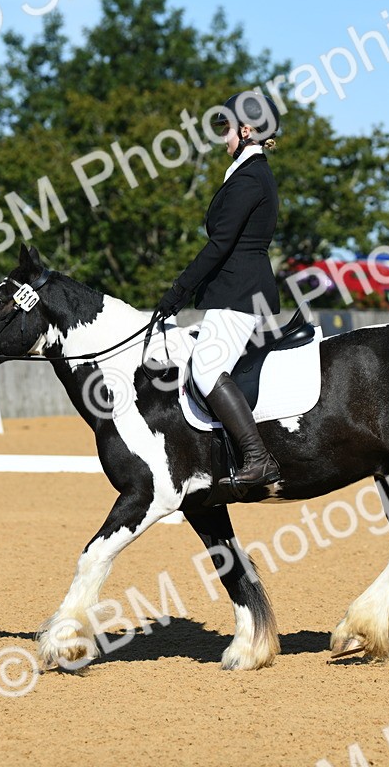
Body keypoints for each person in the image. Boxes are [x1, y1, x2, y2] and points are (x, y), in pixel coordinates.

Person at [155, 91, 282, 489]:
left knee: (207, 369)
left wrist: (177, 292)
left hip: (242, 291)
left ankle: (258, 458)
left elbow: (220, 244)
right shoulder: (246, 172)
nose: (224, 138)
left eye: (227, 129)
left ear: (246, 130)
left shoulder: (249, 177)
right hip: (237, 288)